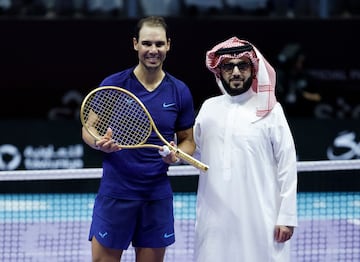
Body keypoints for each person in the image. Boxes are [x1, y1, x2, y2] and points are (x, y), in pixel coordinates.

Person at [81, 16, 196, 262]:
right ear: (135, 44)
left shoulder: (179, 91)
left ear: (168, 45)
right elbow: (88, 128)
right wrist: (100, 142)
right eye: (146, 44)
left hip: (156, 196)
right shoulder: (114, 85)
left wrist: (177, 156)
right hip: (116, 193)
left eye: (159, 44)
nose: (153, 50)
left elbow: (188, 140)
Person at [193, 36, 298, 262]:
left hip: (262, 217)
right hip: (215, 218)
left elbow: (287, 165)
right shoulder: (208, 108)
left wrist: (287, 216)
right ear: (218, 71)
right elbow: (196, 154)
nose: (236, 72)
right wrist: (173, 154)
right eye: (228, 66)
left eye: (243, 65)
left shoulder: (270, 110)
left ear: (253, 68)